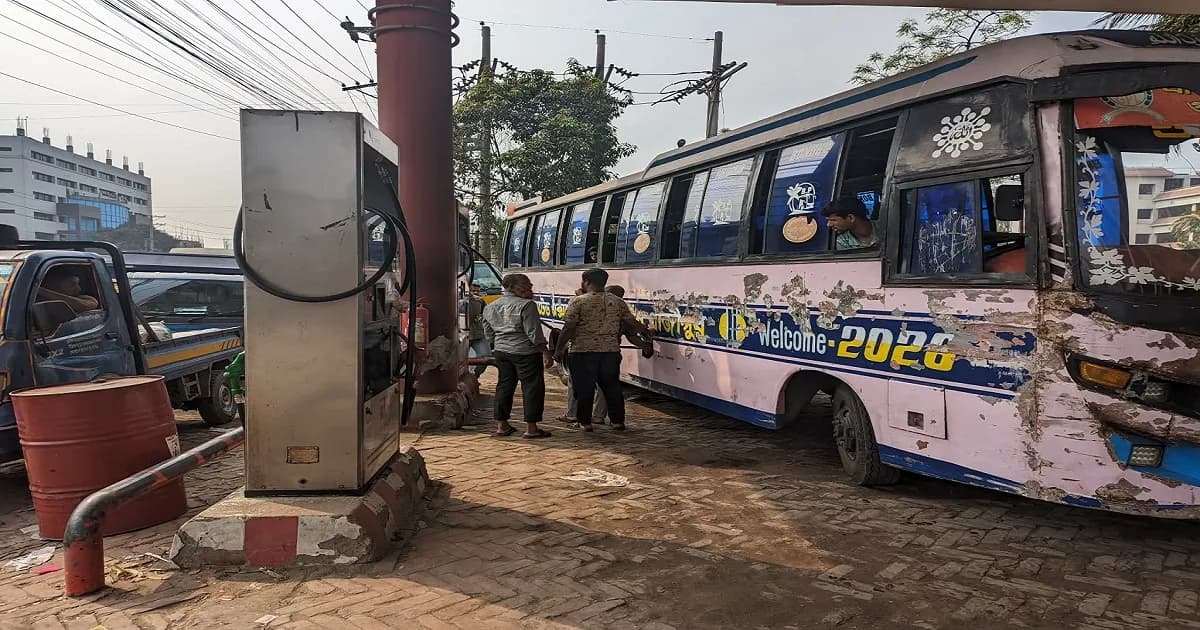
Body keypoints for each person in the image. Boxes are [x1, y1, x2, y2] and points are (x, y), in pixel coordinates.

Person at [553, 268, 651, 432]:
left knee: (583, 388)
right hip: (610, 352)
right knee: (612, 387)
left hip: (582, 352)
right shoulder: (617, 301)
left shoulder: (578, 301)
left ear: (586, 282)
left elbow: (569, 327)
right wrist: (646, 332)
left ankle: (585, 423)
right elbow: (631, 321)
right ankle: (617, 422)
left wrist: (558, 349)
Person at [482, 273, 554, 439]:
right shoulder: (527, 305)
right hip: (526, 353)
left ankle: (502, 425)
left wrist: (497, 346)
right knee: (532, 388)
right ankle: (531, 428)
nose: (531, 289)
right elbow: (534, 334)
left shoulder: (490, 306)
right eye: (527, 285)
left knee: (504, 387)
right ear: (515, 287)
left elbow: (489, 333)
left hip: (502, 352)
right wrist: (546, 353)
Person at [466, 283, 489, 377]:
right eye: (473, 290)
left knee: (486, 356)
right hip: (461, 336)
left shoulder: (480, 301)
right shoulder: (456, 301)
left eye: (478, 291)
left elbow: (485, 316)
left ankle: (474, 376)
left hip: (477, 334)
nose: (476, 293)